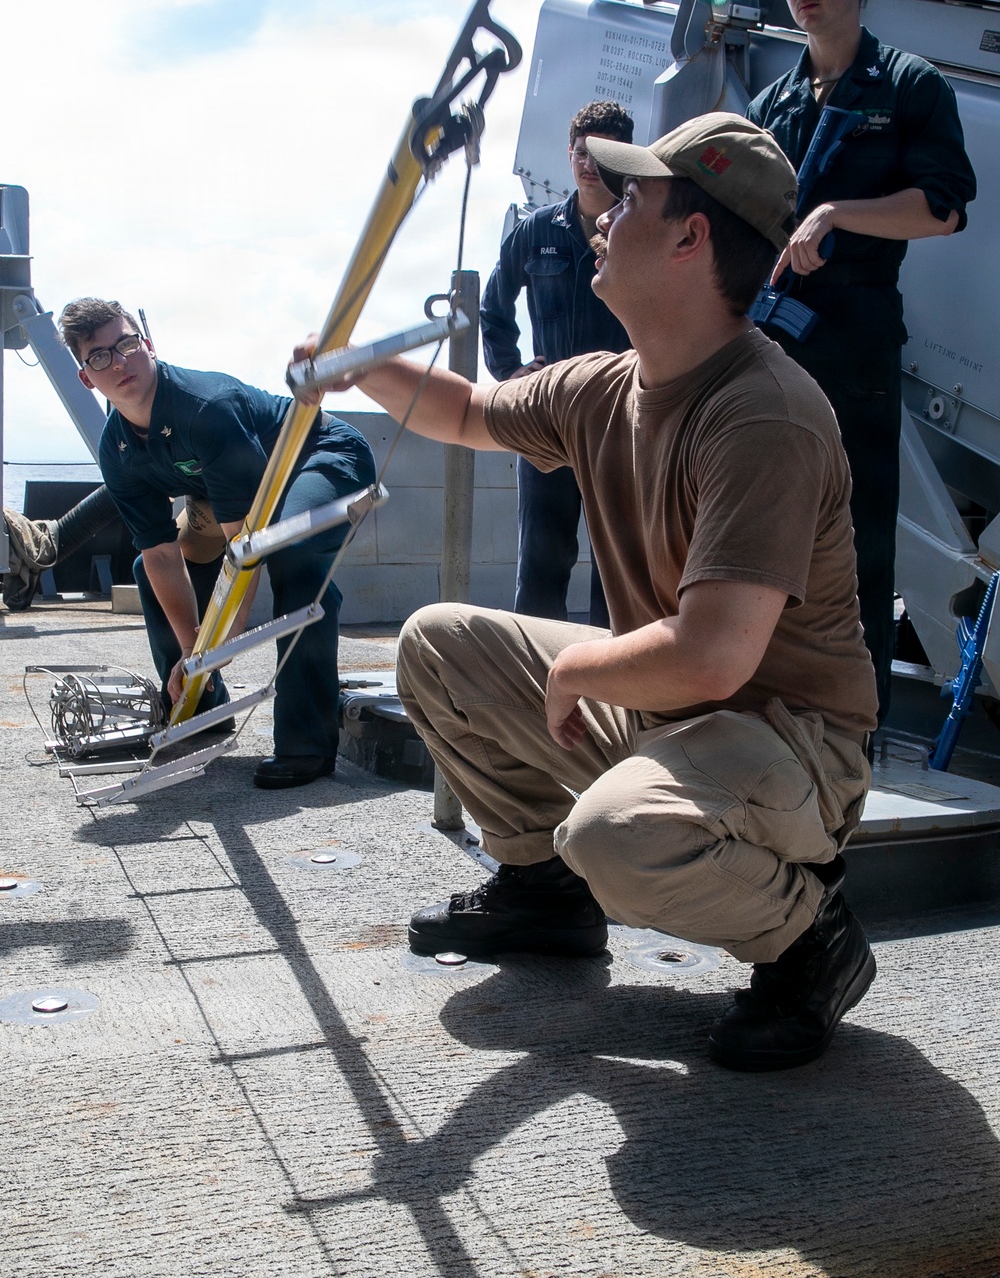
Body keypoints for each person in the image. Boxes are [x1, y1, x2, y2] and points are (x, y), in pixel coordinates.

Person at [298, 112, 879, 1073]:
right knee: (438, 644)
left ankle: (809, 937)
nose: (601, 214)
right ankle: (541, 893)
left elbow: (713, 657)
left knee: (616, 837)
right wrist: (355, 366)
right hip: (672, 713)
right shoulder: (605, 386)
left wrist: (576, 672)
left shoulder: (764, 414)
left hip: (789, 740)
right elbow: (468, 410)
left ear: (692, 237)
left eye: (631, 197)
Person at [747, 0, 976, 721]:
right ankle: (763, 711)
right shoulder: (771, 103)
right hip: (771, 347)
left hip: (855, 347)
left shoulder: (910, 85)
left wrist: (837, 214)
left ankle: (855, 734)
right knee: (764, 529)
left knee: (857, 540)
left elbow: (944, 209)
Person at [59, 298, 375, 789]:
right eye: (100, 356)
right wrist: (194, 650)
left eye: (126, 344)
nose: (119, 362)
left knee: (291, 555)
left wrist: (221, 643)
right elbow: (160, 552)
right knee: (149, 572)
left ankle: (307, 744)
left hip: (319, 456)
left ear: (148, 344)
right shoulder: (116, 450)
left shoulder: (205, 408)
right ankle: (200, 707)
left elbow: (244, 549)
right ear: (86, 378)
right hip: (233, 496)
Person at [480, 100, 634, 626]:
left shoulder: (642, 231)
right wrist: (510, 374)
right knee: (542, 565)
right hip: (548, 420)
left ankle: (616, 672)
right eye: (581, 153)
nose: (590, 164)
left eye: (603, 153)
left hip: (621, 420)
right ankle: (533, 672)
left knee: (620, 573)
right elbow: (493, 308)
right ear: (569, 154)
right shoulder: (536, 231)